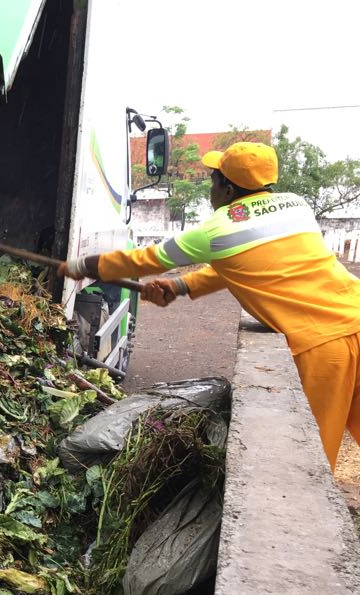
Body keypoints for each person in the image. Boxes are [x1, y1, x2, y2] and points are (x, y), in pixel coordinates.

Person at [60, 141, 360, 470]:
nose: (210, 189)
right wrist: (180, 285)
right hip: (354, 312)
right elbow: (243, 264)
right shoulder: (295, 206)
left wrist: (82, 266)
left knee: (309, 461)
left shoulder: (218, 230)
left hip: (323, 345)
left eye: (213, 181)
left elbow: (146, 259)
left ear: (228, 189)